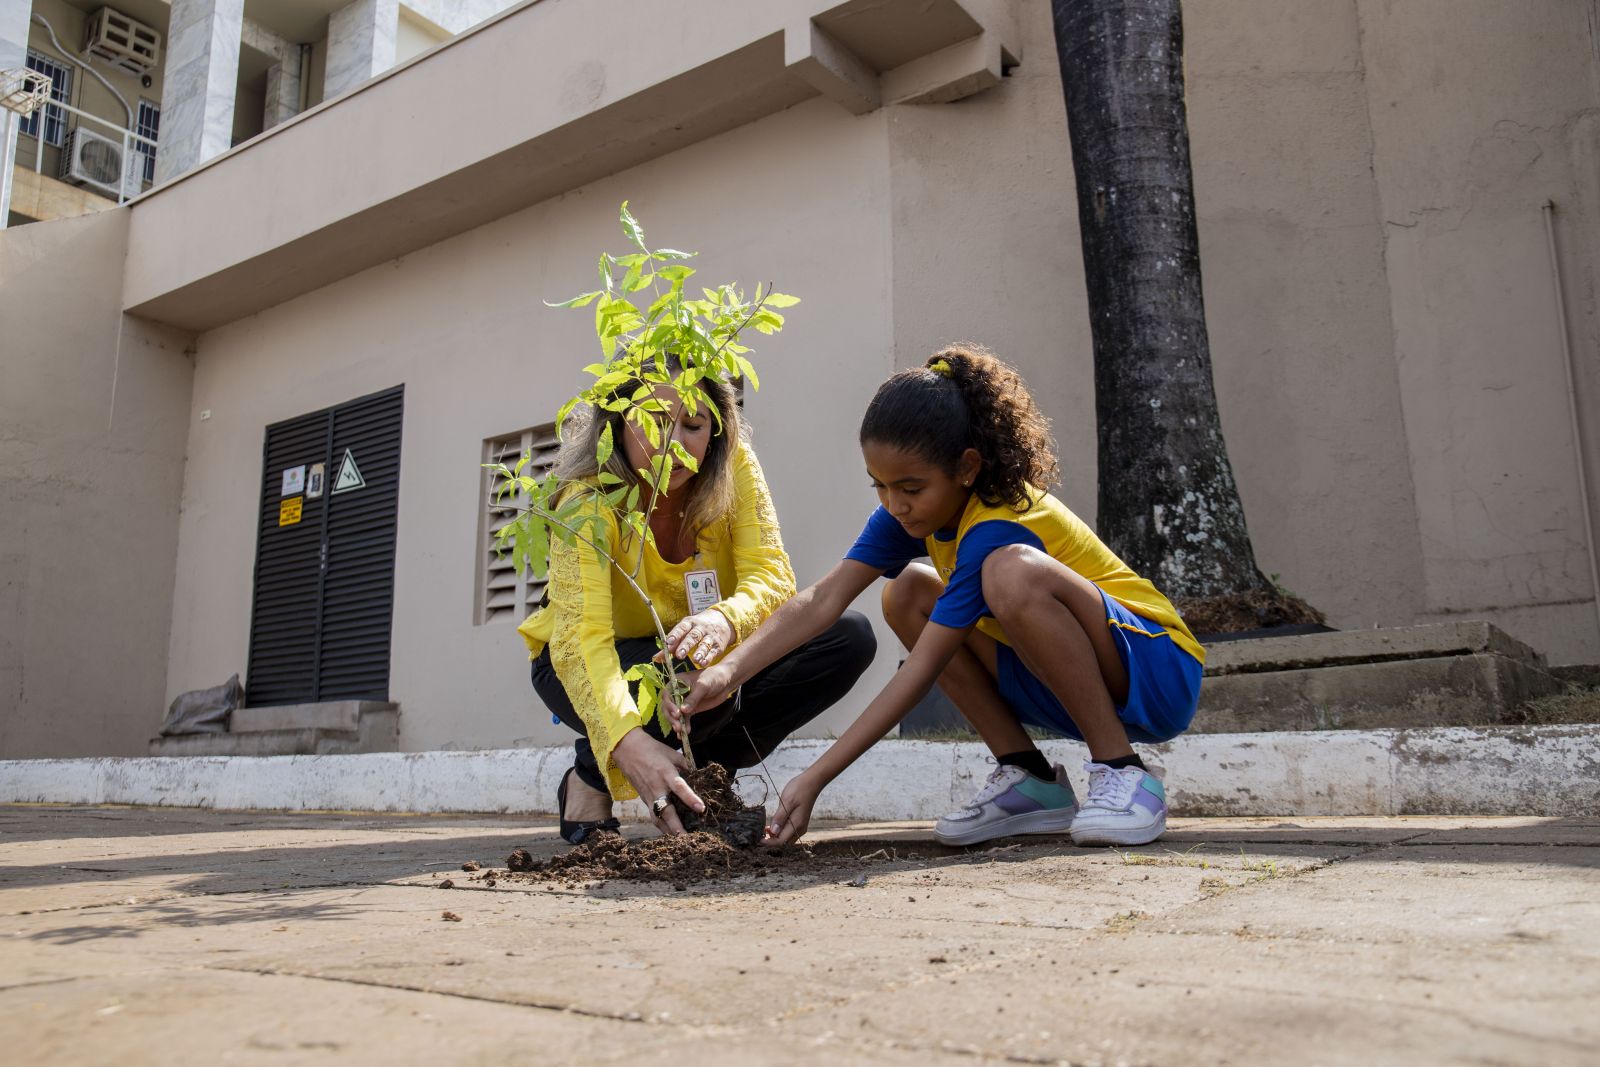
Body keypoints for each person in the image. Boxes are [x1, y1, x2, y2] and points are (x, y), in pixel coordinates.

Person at [669, 344, 1204, 848]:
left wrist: (815, 777)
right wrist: (728, 670)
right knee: (909, 592)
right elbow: (824, 599)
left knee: (1011, 572)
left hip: (1156, 669)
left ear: (967, 468)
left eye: (909, 488)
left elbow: (922, 669)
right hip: (1062, 680)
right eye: (878, 485)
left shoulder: (998, 524)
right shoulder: (912, 513)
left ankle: (1123, 772)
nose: (894, 503)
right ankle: (1030, 780)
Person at [520, 365, 875, 844]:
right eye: (654, 422)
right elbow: (582, 641)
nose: (674, 444)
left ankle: (705, 783)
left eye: (693, 425)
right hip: (582, 661)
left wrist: (725, 620)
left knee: (845, 638)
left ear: (716, 432)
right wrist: (624, 743)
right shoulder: (585, 499)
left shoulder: (735, 466)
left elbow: (771, 575)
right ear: (616, 425)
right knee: (681, 669)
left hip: (702, 651)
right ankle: (590, 775)